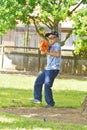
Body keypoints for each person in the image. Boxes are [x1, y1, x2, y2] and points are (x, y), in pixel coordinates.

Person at [30, 30, 61, 107]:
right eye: (49, 38)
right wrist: (44, 49)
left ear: (56, 38)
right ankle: (37, 98)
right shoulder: (51, 45)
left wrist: (47, 52)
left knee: (47, 85)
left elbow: (57, 54)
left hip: (53, 69)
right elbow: (46, 52)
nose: (50, 39)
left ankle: (50, 103)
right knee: (38, 82)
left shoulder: (57, 45)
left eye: (52, 38)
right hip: (48, 68)